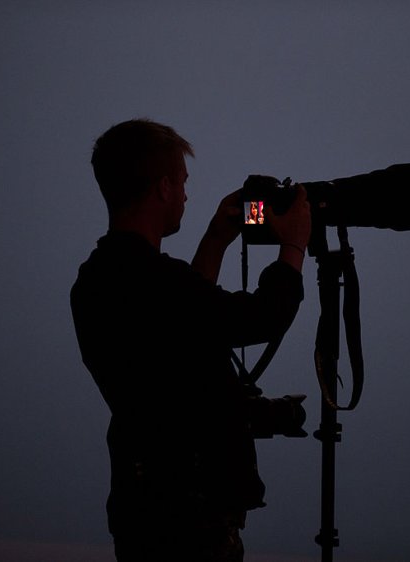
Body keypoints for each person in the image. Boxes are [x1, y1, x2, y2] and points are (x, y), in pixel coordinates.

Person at [70, 118, 310, 561]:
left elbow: (182, 333)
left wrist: (216, 240)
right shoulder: (154, 281)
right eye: (182, 182)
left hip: (142, 508)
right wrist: (294, 245)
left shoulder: (97, 280)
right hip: (190, 520)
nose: (186, 195)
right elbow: (263, 317)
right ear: (163, 187)